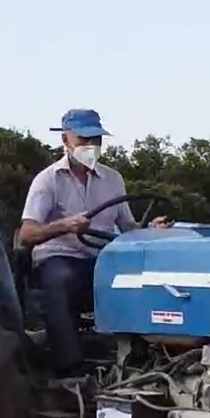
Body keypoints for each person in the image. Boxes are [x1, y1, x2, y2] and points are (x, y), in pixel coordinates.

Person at [17, 108, 173, 377]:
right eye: (84, 140)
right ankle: (70, 369)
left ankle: (142, 357)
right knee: (61, 280)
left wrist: (151, 229)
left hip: (101, 259)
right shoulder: (47, 180)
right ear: (66, 141)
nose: (91, 146)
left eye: (96, 140)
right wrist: (65, 225)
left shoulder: (113, 179)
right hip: (59, 257)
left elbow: (128, 228)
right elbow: (27, 234)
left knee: (145, 280)